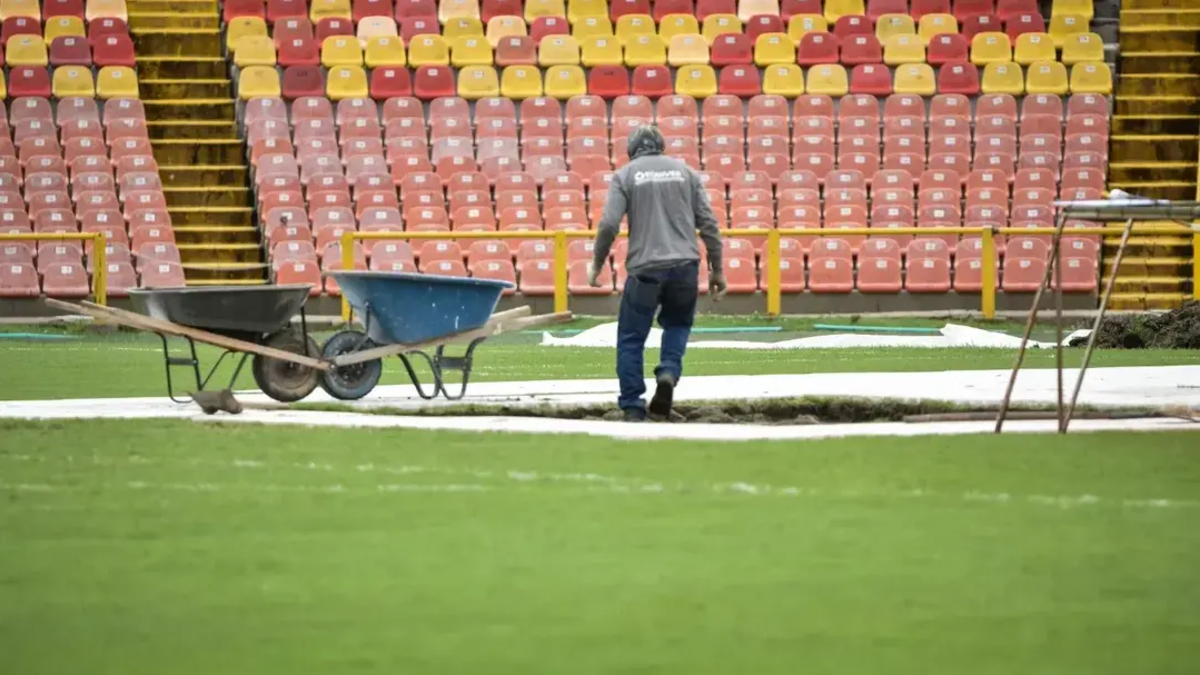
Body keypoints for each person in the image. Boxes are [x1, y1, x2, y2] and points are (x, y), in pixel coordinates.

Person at [587, 125, 725, 422]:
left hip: (645, 268)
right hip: (685, 266)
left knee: (631, 338)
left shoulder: (625, 175)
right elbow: (709, 225)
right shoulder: (686, 173)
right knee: (677, 325)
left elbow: (609, 223)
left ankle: (633, 405)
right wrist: (718, 269)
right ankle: (668, 372)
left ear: (631, 150)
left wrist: (597, 263)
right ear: (661, 146)